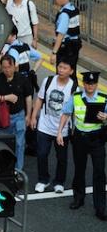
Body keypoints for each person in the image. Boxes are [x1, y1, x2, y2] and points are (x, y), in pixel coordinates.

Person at [29, 60, 75, 194]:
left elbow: (72, 110)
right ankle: (43, 180)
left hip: (63, 129)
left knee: (62, 158)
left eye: (65, 68)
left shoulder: (73, 87)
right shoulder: (48, 81)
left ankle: (59, 182)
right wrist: (33, 116)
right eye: (60, 67)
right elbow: (40, 99)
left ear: (71, 71)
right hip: (44, 125)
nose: (61, 70)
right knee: (42, 154)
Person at [70, 69, 107, 218]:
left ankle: (101, 207)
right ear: (84, 84)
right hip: (80, 137)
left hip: (97, 138)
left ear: (97, 84)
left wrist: (105, 118)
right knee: (79, 168)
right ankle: (78, 198)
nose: (91, 86)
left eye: (93, 83)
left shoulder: (104, 99)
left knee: (99, 172)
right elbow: (67, 113)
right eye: (88, 83)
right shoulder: (76, 97)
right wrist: (61, 131)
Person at [51, 0, 81, 70]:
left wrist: (54, 52)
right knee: (71, 71)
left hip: (66, 48)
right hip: (75, 44)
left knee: (62, 72)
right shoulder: (73, 9)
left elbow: (61, 34)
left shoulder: (64, 14)